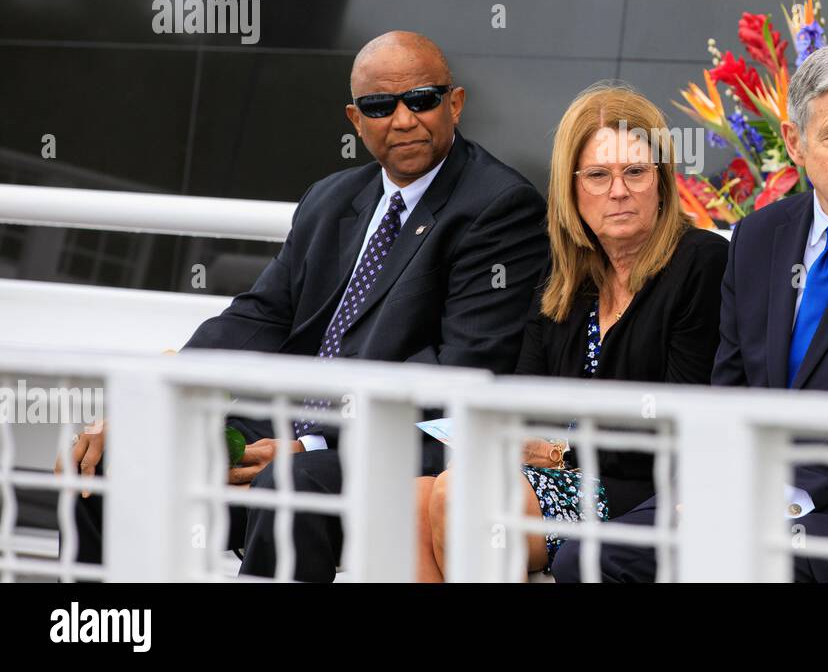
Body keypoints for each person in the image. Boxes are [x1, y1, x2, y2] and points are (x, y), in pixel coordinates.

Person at [60, 31, 548, 581]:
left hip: (407, 439)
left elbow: (461, 371)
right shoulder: (331, 198)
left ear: (453, 104)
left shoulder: (499, 207)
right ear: (355, 119)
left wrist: (311, 440)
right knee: (111, 458)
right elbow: (259, 315)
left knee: (292, 483)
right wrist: (152, 396)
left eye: (422, 99)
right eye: (380, 106)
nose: (404, 119)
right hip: (293, 421)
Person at [553, 45, 828, 582]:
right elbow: (730, 390)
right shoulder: (761, 236)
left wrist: (775, 499)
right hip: (751, 490)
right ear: (795, 143)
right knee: (591, 559)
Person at [413, 83, 728, 581]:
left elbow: (675, 422)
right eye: (599, 175)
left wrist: (560, 452)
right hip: (558, 476)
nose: (618, 191)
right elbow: (524, 396)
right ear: (571, 187)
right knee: (413, 500)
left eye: (636, 172)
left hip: (642, 488)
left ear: (663, 180)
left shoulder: (701, 262)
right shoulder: (567, 274)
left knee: (462, 495)